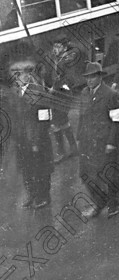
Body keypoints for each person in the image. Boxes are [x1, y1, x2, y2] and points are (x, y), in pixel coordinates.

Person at [8, 47, 55, 208]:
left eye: (19, 75)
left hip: (37, 140)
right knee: (26, 170)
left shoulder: (38, 93)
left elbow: (45, 119)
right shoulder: (15, 93)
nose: (17, 78)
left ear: (27, 75)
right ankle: (32, 194)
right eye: (15, 75)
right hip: (22, 141)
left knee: (40, 170)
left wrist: (36, 141)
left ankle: (43, 197)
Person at [77, 61, 119, 218]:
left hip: (106, 143)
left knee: (110, 174)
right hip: (89, 142)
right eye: (87, 77)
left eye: (93, 77)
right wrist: (79, 137)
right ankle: (99, 202)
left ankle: (115, 204)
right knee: (86, 173)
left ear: (100, 77)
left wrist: (111, 142)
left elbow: (118, 121)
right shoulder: (85, 93)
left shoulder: (111, 94)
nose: (89, 80)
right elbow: (82, 117)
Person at [47, 36, 83, 163]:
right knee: (63, 122)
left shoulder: (66, 59)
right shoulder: (57, 59)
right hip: (58, 94)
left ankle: (61, 153)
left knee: (56, 123)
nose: (55, 49)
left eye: (58, 47)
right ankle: (73, 149)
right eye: (54, 47)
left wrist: (54, 88)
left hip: (64, 94)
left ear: (64, 47)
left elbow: (66, 77)